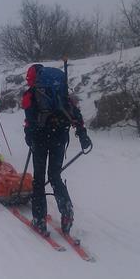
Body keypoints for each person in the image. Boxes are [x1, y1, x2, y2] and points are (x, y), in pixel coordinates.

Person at [21, 64, 92, 236]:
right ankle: (66, 211)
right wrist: (82, 134)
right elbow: (75, 114)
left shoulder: (31, 94)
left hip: (40, 139)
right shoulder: (61, 92)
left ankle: (39, 221)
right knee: (54, 176)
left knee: (39, 179)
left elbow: (30, 121)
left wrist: (29, 137)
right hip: (59, 136)